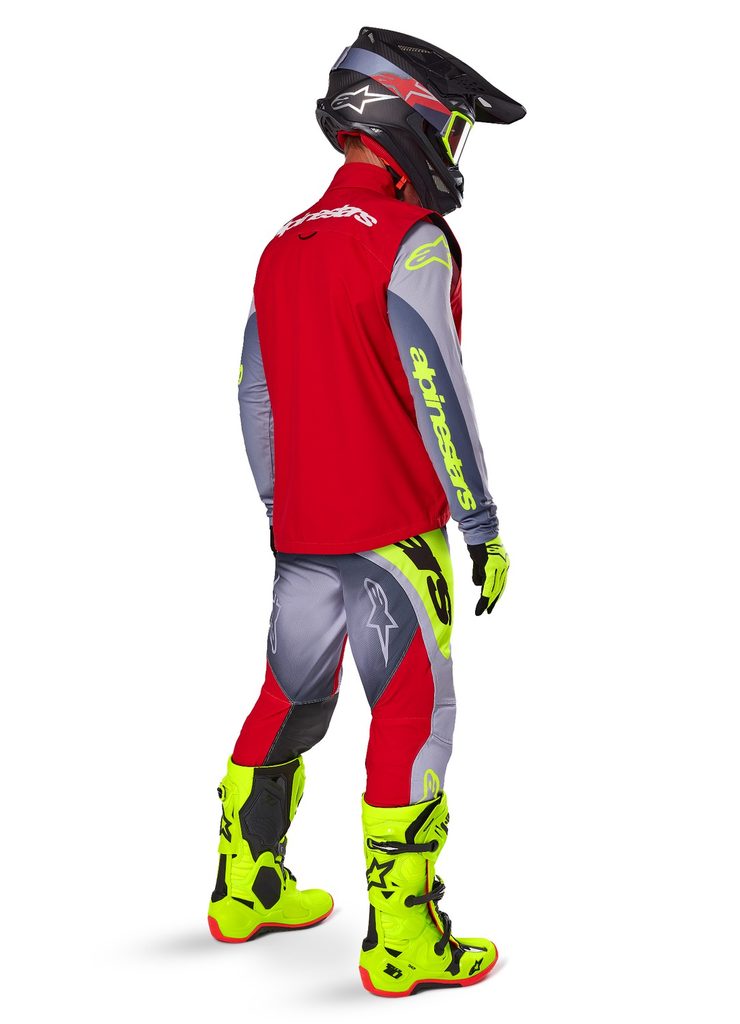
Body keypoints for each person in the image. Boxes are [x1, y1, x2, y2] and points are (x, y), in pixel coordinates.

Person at [208, 25, 526, 997]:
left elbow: (254, 396)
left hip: (303, 535)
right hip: (394, 534)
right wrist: (480, 523)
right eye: (454, 128)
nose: (457, 149)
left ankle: (245, 887)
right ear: (409, 118)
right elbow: (439, 388)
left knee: (289, 698)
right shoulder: (409, 238)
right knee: (411, 714)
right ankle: (404, 940)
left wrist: (285, 503)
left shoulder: (284, 243)